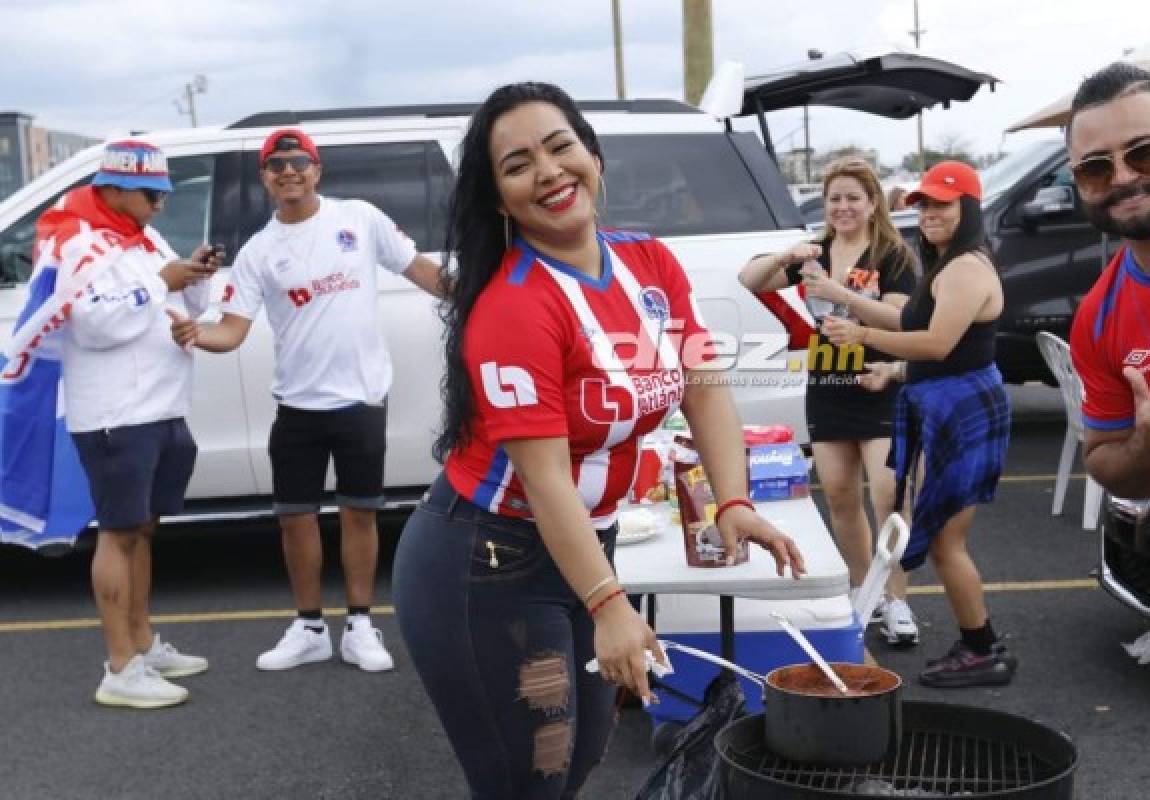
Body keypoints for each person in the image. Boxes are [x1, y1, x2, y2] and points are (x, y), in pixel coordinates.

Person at [391, 81, 805, 799]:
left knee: (578, 763)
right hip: (488, 564)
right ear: (496, 197)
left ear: (593, 156)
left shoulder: (649, 263)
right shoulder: (513, 305)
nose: (548, 172)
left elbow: (705, 390)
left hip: (586, 549)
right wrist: (610, 604)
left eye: (560, 148)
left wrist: (731, 501)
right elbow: (545, 477)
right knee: (532, 779)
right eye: (518, 164)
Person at [170, 128, 442, 673]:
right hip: (297, 406)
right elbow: (233, 330)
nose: (288, 172)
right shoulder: (259, 252)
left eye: (299, 162)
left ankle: (361, 625)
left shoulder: (358, 219)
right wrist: (196, 334)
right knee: (295, 519)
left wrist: (478, 291)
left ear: (317, 170)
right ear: (265, 178)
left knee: (359, 514)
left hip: (361, 399)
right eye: (276, 165)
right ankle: (310, 626)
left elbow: (420, 269)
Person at [823, 160, 1016, 688]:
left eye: (942, 204)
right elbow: (916, 328)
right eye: (924, 204)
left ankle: (983, 649)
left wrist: (862, 340)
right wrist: (893, 364)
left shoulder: (965, 269)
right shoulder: (947, 264)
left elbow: (937, 343)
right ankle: (978, 642)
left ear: (968, 208)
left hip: (964, 409)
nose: (929, 213)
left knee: (946, 541)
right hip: (951, 401)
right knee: (942, 538)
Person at [49, 140, 217, 707]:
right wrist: (162, 282)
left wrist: (191, 276)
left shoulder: (142, 238)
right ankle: (119, 668)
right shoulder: (79, 242)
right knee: (119, 534)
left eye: (164, 194)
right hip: (118, 415)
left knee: (142, 529)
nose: (161, 205)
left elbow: (180, 308)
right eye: (152, 194)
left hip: (161, 406)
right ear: (114, 189)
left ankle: (143, 644)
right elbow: (93, 321)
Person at [1064, 62, 1150, 713]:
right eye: (1097, 167)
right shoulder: (1100, 316)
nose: (1122, 178)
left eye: (1143, 152)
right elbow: (1111, 464)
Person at [739, 157, 920, 647]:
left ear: (871, 202)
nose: (843, 207)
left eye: (852, 198)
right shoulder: (814, 252)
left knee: (888, 496)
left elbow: (901, 321)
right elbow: (749, 279)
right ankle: (865, 590)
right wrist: (784, 257)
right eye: (834, 199)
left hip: (880, 381)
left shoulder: (893, 254)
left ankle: (896, 599)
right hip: (828, 383)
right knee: (839, 495)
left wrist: (844, 295)